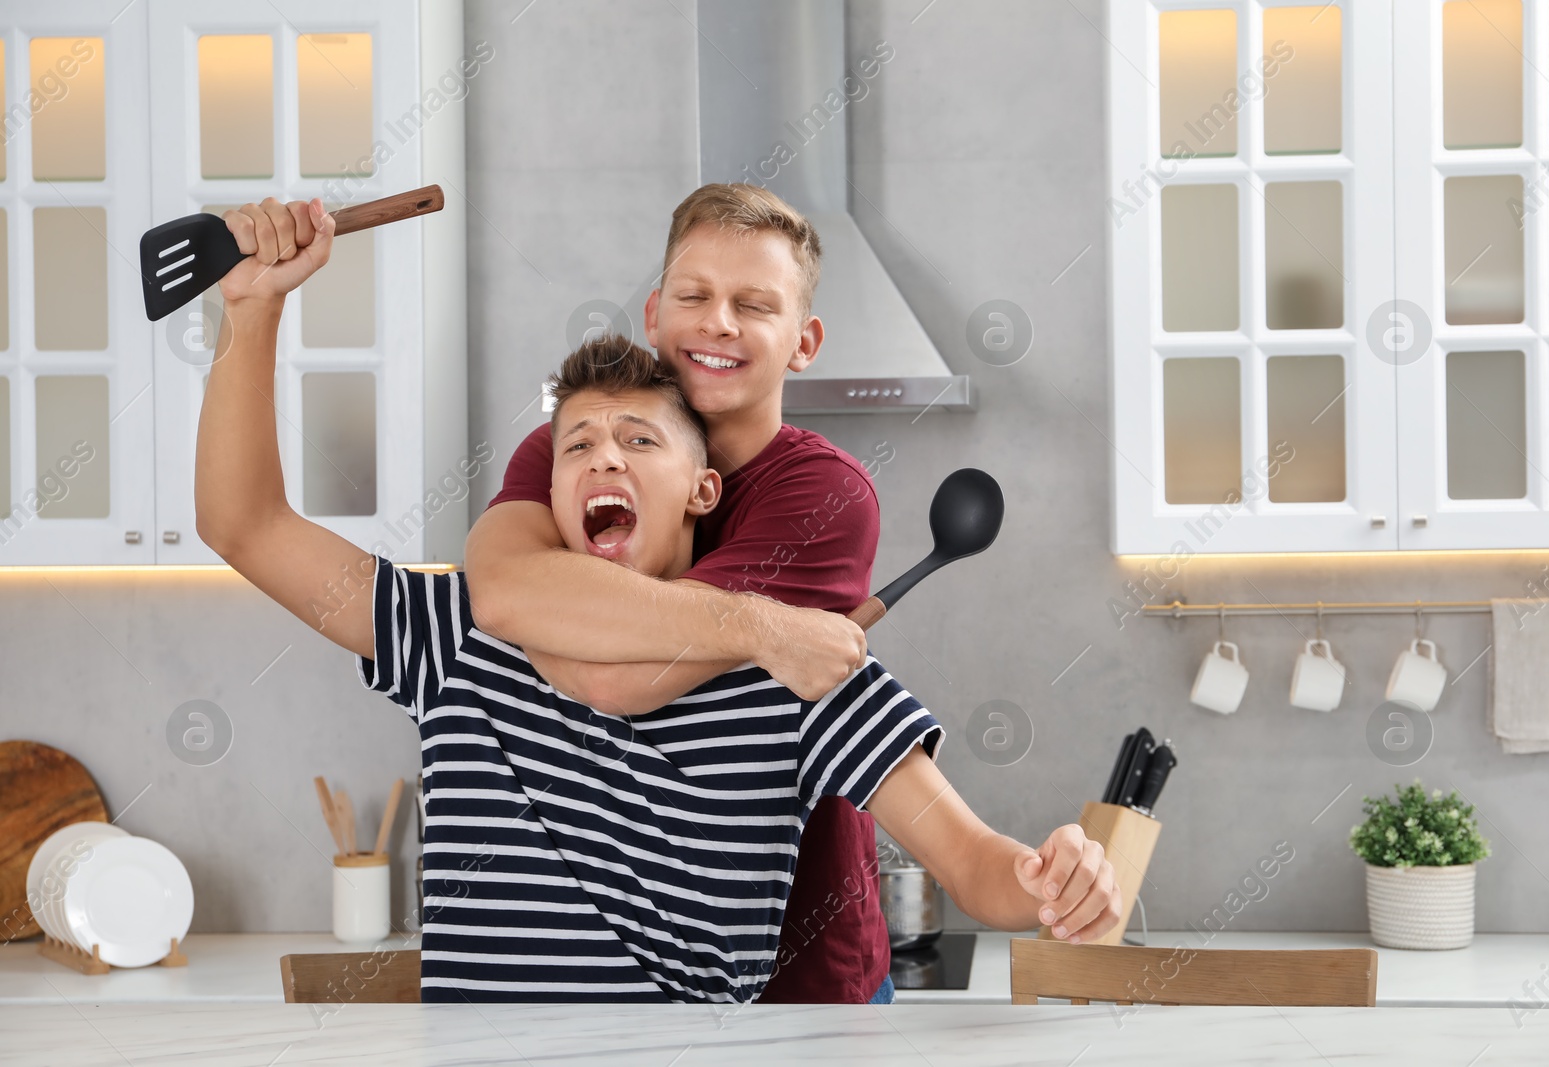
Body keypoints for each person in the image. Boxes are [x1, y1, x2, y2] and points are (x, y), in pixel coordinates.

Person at [193, 197, 1121, 1000]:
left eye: (640, 440)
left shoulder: (797, 666)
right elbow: (243, 523)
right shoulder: (455, 630)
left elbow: (974, 861)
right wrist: (251, 305)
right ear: (543, 488)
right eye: (578, 446)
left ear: (704, 488)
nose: (603, 455)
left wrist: (1051, 877)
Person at [464, 183, 908, 1002]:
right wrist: (759, 629)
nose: (719, 323)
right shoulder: (572, 445)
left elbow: (616, 680)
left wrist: (558, 604)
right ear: (654, 313)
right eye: (694, 296)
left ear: (803, 341)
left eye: (754, 304)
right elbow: (497, 588)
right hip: (637, 966)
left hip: (800, 982)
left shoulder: (823, 494)